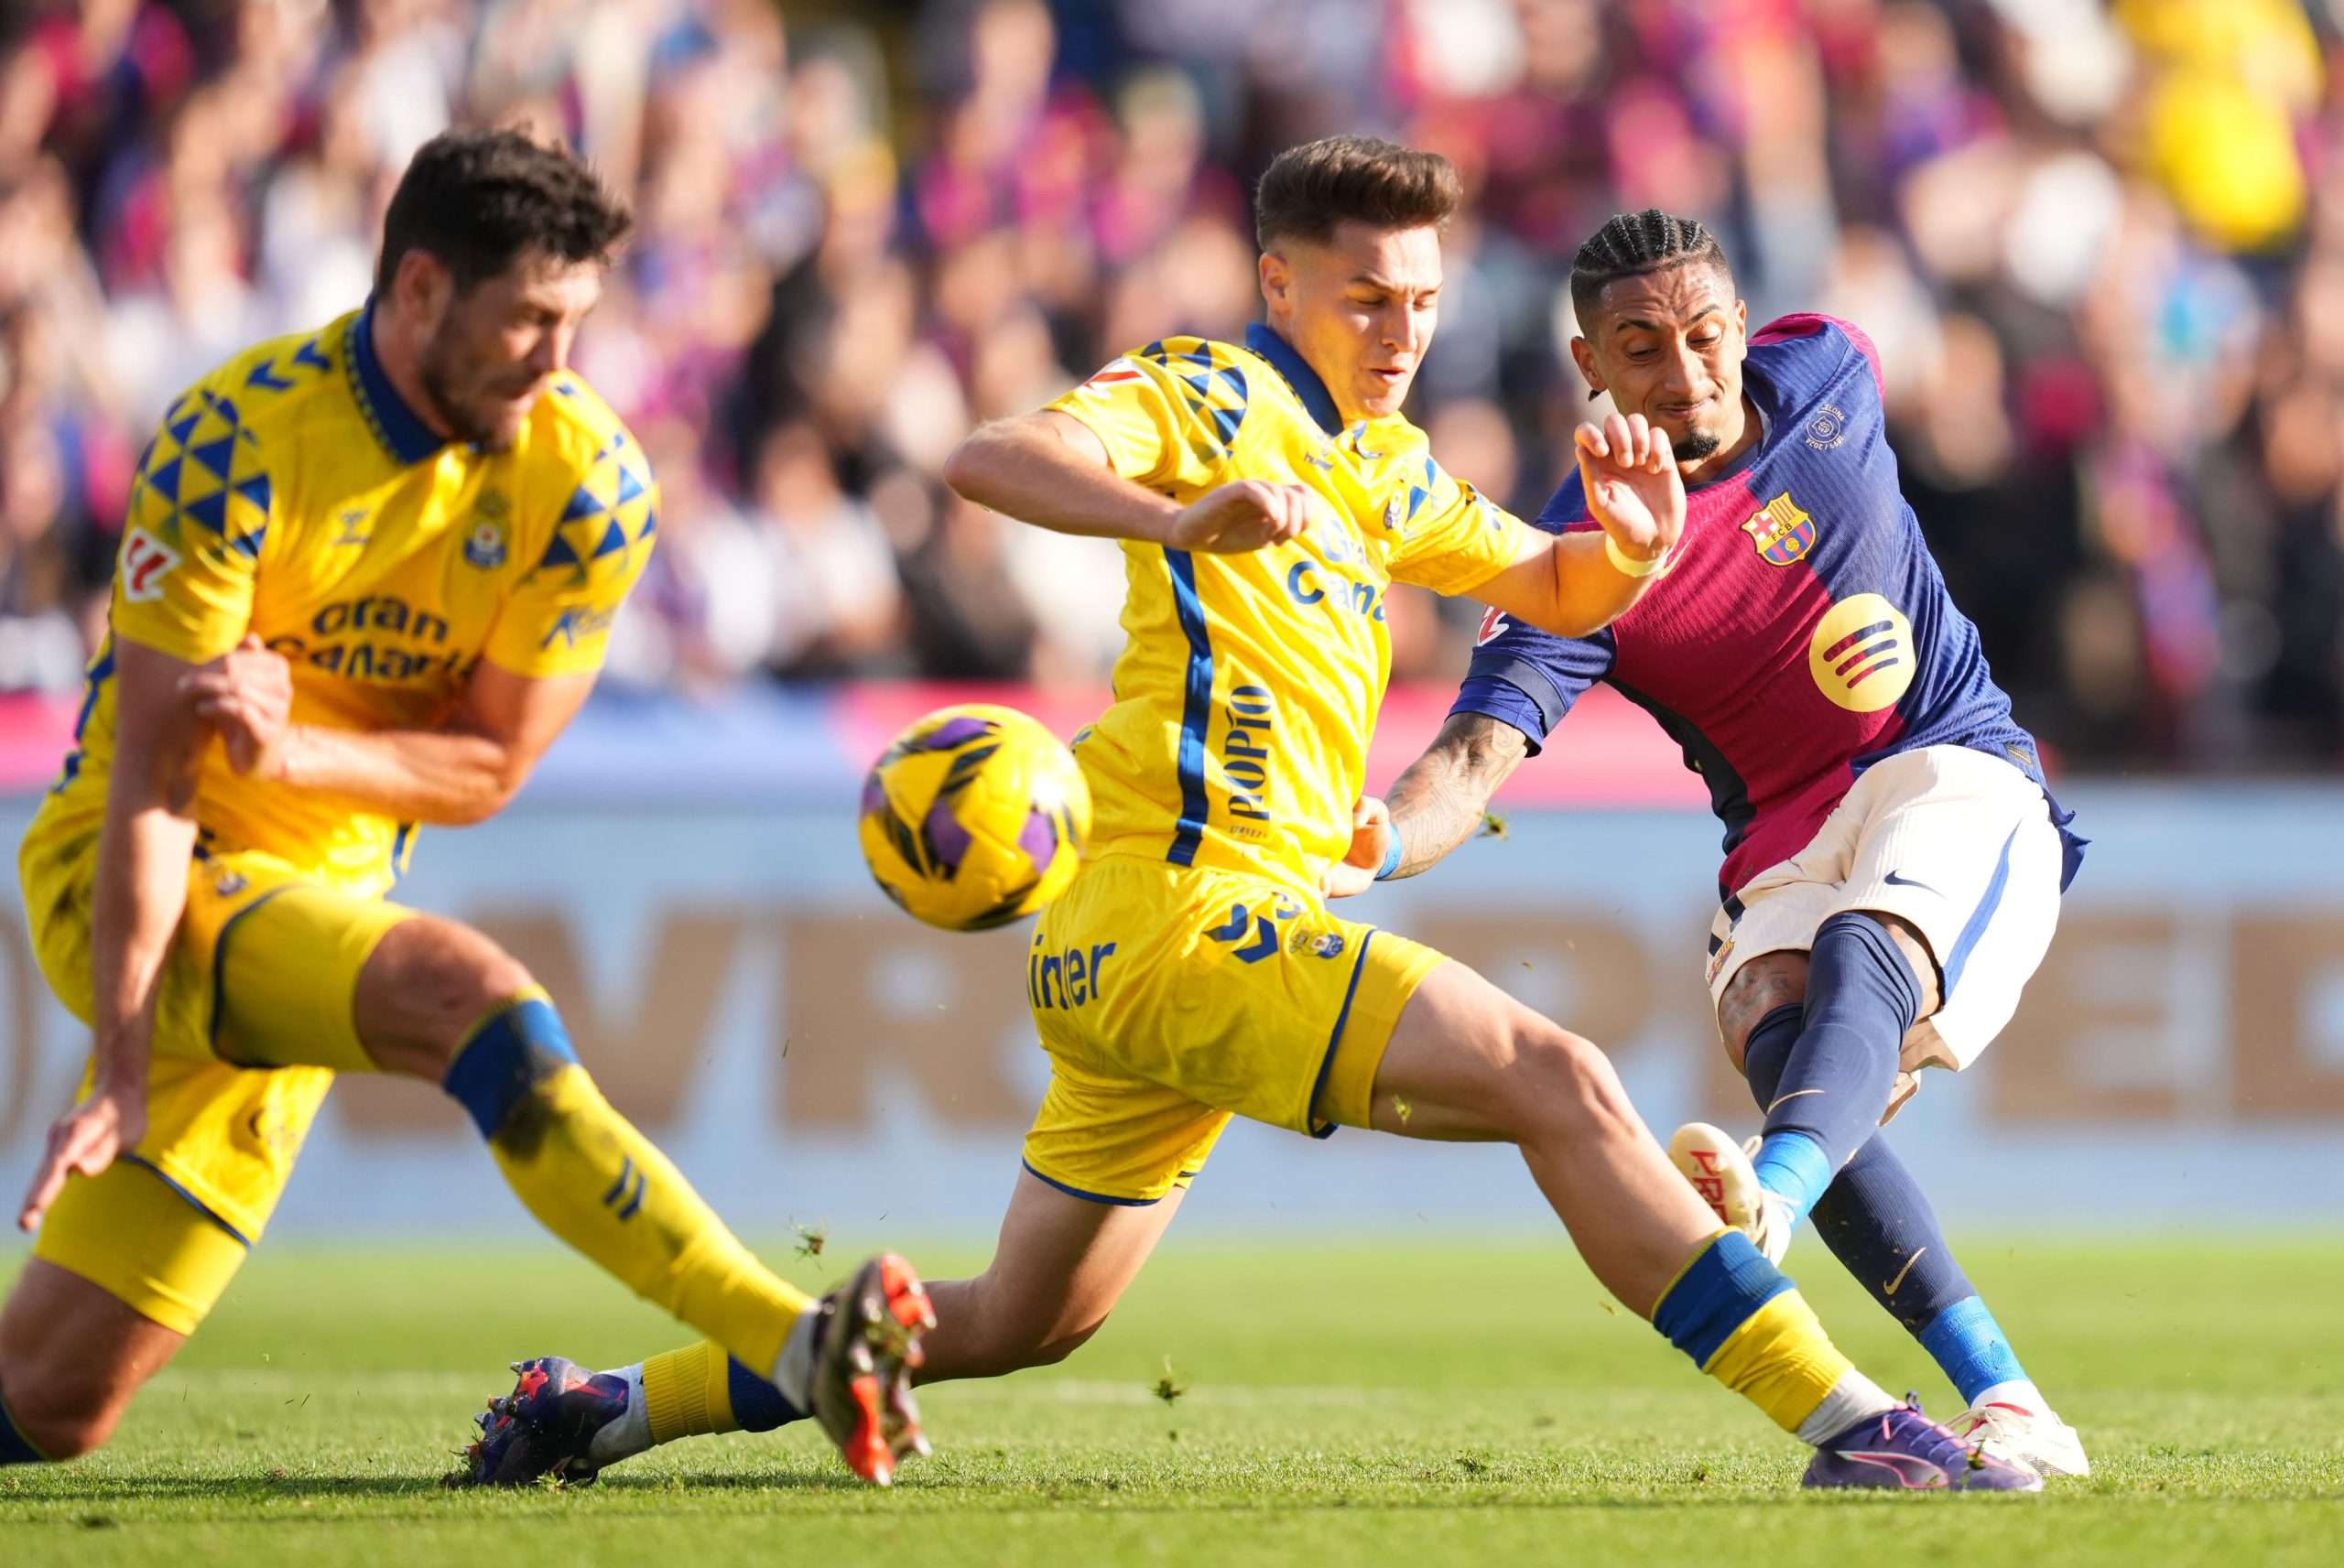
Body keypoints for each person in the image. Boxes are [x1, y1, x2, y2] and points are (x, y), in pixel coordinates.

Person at [460, 137, 2038, 1493]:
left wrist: (1628, 542)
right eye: (1366, 298)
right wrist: (1172, 513)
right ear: (1278, 283)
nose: (1401, 330)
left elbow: (1551, 584)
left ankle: (599, 1408)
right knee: (1559, 1078)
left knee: (1023, 1320)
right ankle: (1851, 1417)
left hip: (1124, 955)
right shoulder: (1211, 391)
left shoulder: (1383, 461)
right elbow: (993, 453)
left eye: (1422, 301)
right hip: (1193, 915)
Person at [1, 129, 931, 1489]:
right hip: (134, 874)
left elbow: (489, 769)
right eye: (531, 323)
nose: (559, 364)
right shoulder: (232, 443)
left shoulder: (588, 485)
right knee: (479, 1002)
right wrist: (125, 1061)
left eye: (580, 325)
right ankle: (791, 1342)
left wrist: (293, 748)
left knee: (51, 1398)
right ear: (422, 290)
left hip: (312, 901)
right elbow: (151, 777)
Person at [1336, 209, 2089, 1476]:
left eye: (1700, 337)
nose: (1682, 376)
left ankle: (1769, 1202)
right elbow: (1474, 757)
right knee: (1774, 1022)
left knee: (1867, 949)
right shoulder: (1581, 559)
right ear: (1589, 368)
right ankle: (2010, 1399)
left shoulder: (1832, 371)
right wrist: (1372, 842)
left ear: (1743, 329)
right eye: (1639, 349)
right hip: (1781, 839)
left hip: (1954, 765)